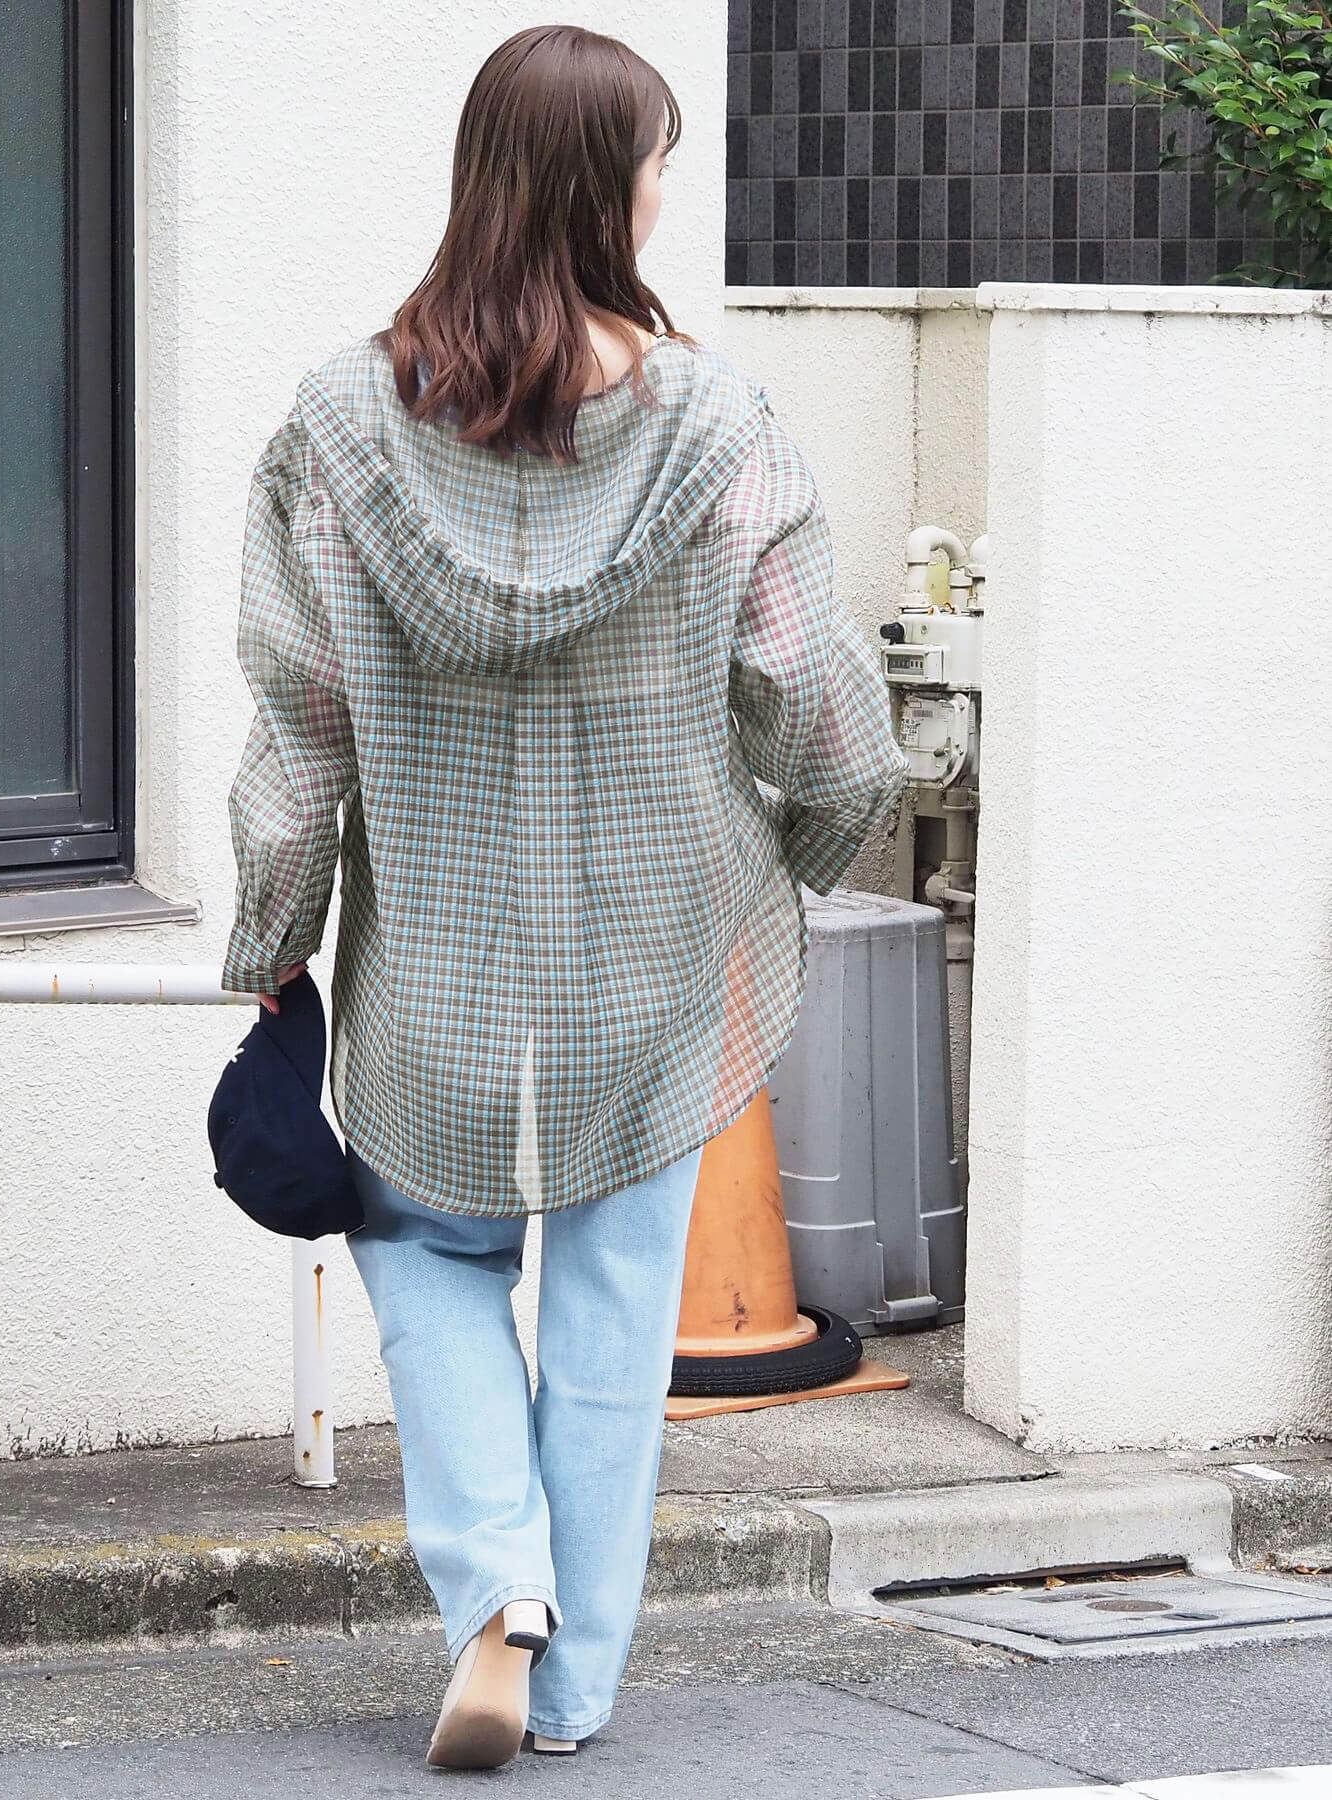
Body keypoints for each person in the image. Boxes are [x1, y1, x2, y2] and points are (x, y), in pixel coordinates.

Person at [219, 22, 910, 1772]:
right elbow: (821, 714)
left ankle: (495, 1596)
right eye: (663, 163)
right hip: (654, 959)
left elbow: (300, 731)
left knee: (427, 1263)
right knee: (611, 1322)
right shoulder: (718, 427)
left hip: (432, 969)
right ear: (615, 189)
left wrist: (274, 939)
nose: (669, 192)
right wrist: (810, 854)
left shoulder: (340, 428)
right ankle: (576, 1690)